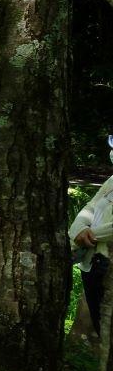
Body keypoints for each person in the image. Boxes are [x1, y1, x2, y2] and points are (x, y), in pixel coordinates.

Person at [70, 134, 113, 335]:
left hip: (107, 266)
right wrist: (78, 229)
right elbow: (91, 206)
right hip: (92, 266)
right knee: (101, 328)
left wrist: (90, 233)